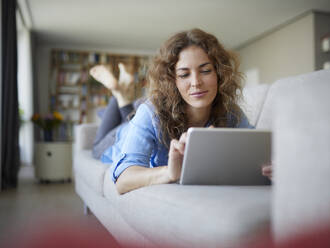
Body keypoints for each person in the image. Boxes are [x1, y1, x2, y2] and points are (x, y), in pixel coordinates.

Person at [90, 28, 272, 194]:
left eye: (206, 71)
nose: (196, 82)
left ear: (219, 73)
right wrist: (168, 172)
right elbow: (123, 181)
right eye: (184, 74)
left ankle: (123, 97)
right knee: (97, 147)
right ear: (172, 81)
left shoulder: (230, 112)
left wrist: (274, 167)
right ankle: (118, 94)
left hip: (147, 113)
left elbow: (258, 153)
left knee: (135, 112)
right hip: (119, 138)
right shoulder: (151, 112)